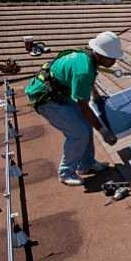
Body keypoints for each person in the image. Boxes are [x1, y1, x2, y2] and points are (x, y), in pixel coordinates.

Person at [25, 31, 121, 186]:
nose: (114, 61)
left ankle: (86, 164)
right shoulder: (83, 69)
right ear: (100, 54)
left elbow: (88, 81)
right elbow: (84, 106)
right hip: (47, 99)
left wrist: (96, 95)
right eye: (111, 57)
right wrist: (103, 131)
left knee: (86, 125)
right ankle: (65, 173)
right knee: (78, 133)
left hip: (59, 92)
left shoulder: (87, 58)